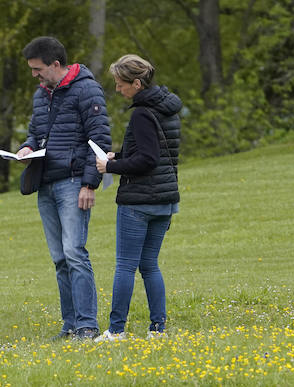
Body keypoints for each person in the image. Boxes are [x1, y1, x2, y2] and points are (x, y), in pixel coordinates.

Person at [16, 36, 111, 341]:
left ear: (55, 65)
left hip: (73, 183)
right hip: (45, 182)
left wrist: (89, 184)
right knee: (59, 258)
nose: (35, 75)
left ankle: (87, 325)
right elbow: (35, 131)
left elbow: (100, 139)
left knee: (74, 253)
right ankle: (69, 325)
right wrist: (27, 148)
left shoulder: (87, 89)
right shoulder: (41, 94)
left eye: (38, 69)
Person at [94, 54, 182, 342]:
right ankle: (158, 330)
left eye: (121, 84)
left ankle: (115, 331)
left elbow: (147, 160)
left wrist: (111, 166)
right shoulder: (167, 108)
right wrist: (118, 156)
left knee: (125, 266)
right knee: (150, 265)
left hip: (139, 202)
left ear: (136, 83)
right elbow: (159, 152)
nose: (118, 90)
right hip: (165, 200)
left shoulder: (142, 113)